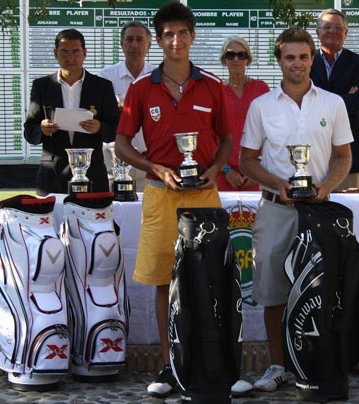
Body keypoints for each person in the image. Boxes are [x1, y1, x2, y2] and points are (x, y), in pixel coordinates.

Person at [114, 2, 232, 399]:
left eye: (183, 33)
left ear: (193, 37)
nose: (176, 41)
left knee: (210, 280)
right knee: (165, 281)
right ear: (159, 40)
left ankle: (210, 362)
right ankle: (170, 363)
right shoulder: (141, 89)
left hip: (204, 194)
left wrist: (215, 169)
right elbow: (121, 144)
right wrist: (155, 167)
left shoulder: (212, 85)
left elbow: (227, 139)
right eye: (168, 35)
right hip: (161, 194)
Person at [240, 26, 353, 392]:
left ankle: (317, 362)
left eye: (304, 57)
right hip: (276, 208)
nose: (298, 64)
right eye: (290, 57)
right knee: (273, 292)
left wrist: (326, 186)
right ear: (279, 61)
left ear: (312, 59)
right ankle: (277, 365)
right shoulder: (261, 106)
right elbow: (247, 160)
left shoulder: (333, 103)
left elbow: (343, 157)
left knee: (322, 289)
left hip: (319, 210)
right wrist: (278, 183)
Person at [24, 29, 119, 196]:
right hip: (52, 175)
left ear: (85, 53)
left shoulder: (102, 87)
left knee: (96, 222)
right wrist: (42, 129)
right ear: (55, 54)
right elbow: (29, 132)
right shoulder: (42, 86)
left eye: (76, 52)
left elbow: (116, 129)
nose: (70, 58)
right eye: (64, 52)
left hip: (93, 175)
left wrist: (99, 127)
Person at [311, 8, 359, 191]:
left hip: (348, 150)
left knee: (350, 210)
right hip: (312, 150)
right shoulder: (306, 61)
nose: (332, 31)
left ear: (346, 32)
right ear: (318, 32)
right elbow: (303, 101)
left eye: (338, 27)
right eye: (327, 27)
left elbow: (357, 102)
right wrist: (344, 98)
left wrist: (319, 100)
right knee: (311, 210)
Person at [99, 21, 155, 191]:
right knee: (116, 213)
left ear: (149, 45)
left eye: (140, 40)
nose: (134, 45)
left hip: (149, 159)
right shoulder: (106, 76)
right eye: (129, 40)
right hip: (116, 160)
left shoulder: (158, 76)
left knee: (149, 214)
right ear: (121, 44)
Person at [216, 35, 269, 191]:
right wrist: (225, 169)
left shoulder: (261, 89)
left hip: (256, 172)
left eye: (241, 54)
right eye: (230, 55)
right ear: (224, 59)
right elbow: (209, 135)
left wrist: (257, 167)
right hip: (224, 172)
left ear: (248, 59)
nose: (236, 59)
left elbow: (272, 130)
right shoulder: (216, 91)